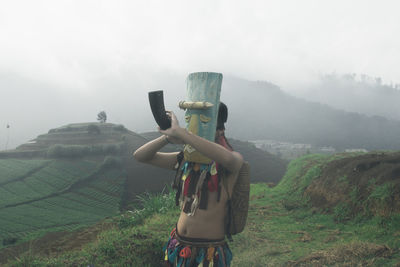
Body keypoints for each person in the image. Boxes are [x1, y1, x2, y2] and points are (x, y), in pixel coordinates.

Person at [134, 102, 243, 266]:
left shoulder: (231, 162)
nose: (194, 131)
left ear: (220, 130)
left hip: (207, 252)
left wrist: (184, 134)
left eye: (204, 125)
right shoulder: (186, 159)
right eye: (192, 125)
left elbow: (230, 160)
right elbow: (140, 156)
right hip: (177, 245)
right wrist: (167, 137)